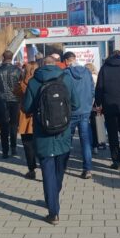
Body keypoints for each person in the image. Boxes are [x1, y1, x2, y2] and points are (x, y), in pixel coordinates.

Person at [22, 54, 79, 224]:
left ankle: (53, 211)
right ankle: (54, 194)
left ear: (41, 64)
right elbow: (75, 104)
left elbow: (27, 107)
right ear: (56, 64)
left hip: (43, 133)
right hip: (63, 132)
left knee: (47, 171)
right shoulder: (66, 78)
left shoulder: (34, 82)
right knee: (59, 170)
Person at [62, 51, 95, 179]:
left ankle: (63, 166)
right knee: (85, 141)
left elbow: (64, 93)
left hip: (71, 112)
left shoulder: (65, 73)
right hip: (85, 111)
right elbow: (92, 91)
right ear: (75, 59)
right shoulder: (87, 72)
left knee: (67, 140)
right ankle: (87, 169)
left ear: (66, 61)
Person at [0, 50, 22, 159]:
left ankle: (5, 150)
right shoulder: (17, 70)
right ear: (12, 57)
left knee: (3, 125)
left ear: (2, 57)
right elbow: (20, 85)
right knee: (14, 125)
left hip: (2, 100)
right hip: (15, 100)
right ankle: (14, 147)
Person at [14, 61, 39, 179]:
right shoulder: (40, 82)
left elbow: (16, 92)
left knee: (27, 144)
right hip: (39, 117)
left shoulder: (23, 84)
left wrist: (23, 78)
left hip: (25, 117)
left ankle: (31, 168)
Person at [85, 63, 105, 153]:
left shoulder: (86, 78)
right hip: (98, 102)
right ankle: (101, 142)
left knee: (91, 125)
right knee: (99, 122)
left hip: (90, 102)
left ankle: (93, 145)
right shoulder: (97, 77)